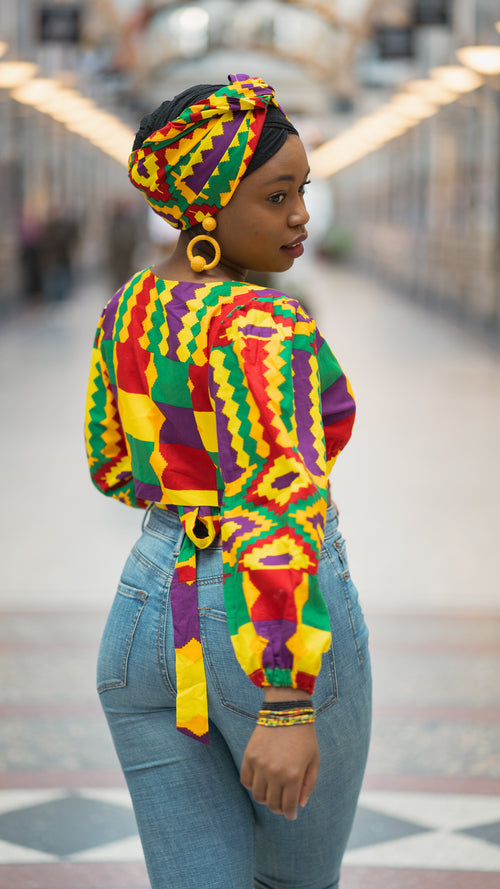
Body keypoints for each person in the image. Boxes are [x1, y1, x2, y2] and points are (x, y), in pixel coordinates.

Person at [85, 74, 371, 889]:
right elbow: (279, 508)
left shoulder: (129, 307)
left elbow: (111, 465)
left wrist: (187, 451)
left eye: (302, 192)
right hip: (262, 629)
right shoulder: (267, 324)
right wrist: (285, 700)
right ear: (207, 206)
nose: (300, 217)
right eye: (277, 197)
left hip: (144, 615)